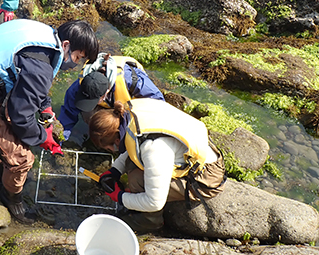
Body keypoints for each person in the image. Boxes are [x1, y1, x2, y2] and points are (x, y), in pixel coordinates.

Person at [0, 19, 99, 223]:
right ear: (66, 45)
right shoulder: (41, 66)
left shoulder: (45, 34)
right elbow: (20, 117)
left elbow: (32, 85)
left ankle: (2, 169)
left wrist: (45, 110)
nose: (75, 64)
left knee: (10, 136)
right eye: (77, 57)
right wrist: (42, 138)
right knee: (22, 158)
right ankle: (12, 200)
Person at [89, 98, 226, 233]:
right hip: (198, 149)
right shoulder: (128, 112)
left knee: (136, 179)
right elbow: (133, 143)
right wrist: (115, 171)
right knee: (133, 163)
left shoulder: (154, 149)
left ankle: (150, 222)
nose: (111, 150)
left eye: (108, 148)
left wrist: (120, 197)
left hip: (206, 177)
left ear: (117, 139)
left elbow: (154, 202)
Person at [58, 53, 164, 142]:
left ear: (106, 92)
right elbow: (68, 114)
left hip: (129, 106)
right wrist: (60, 139)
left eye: (94, 100)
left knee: (118, 132)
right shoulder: (80, 86)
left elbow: (159, 104)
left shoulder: (132, 81)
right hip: (110, 101)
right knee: (90, 118)